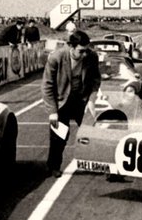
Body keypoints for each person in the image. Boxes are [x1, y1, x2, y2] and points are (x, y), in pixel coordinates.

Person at [41, 29, 101, 176]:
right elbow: (47, 85)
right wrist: (53, 112)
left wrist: (92, 100)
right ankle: (53, 166)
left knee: (91, 132)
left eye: (87, 50)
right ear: (71, 47)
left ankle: (97, 163)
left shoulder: (91, 57)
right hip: (62, 101)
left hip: (81, 99)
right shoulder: (56, 57)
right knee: (58, 137)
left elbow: (95, 80)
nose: (84, 54)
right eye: (81, 51)